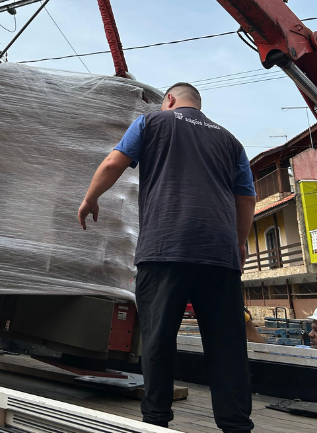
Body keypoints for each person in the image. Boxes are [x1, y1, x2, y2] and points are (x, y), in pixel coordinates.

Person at [78, 82, 256, 433]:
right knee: (227, 346)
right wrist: (238, 242)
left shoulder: (150, 122)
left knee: (159, 338)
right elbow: (246, 198)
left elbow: (114, 162)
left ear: (170, 100)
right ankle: (236, 426)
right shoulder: (231, 141)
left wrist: (90, 198)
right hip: (219, 254)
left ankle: (156, 422)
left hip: (165, 248)